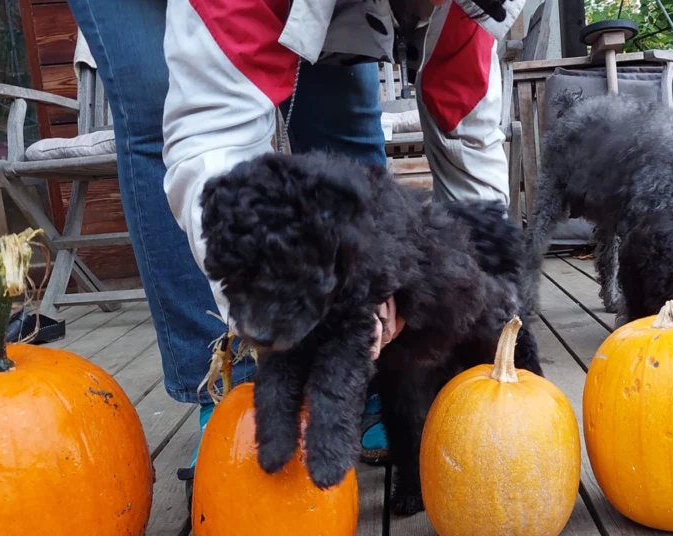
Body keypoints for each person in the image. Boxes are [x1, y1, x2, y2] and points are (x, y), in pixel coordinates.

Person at [64, 0, 522, 496]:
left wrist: (418, 281)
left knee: (341, 113)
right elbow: (210, 134)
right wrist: (271, 306)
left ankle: (361, 369)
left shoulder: (471, 10)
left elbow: (469, 141)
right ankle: (228, 382)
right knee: (157, 105)